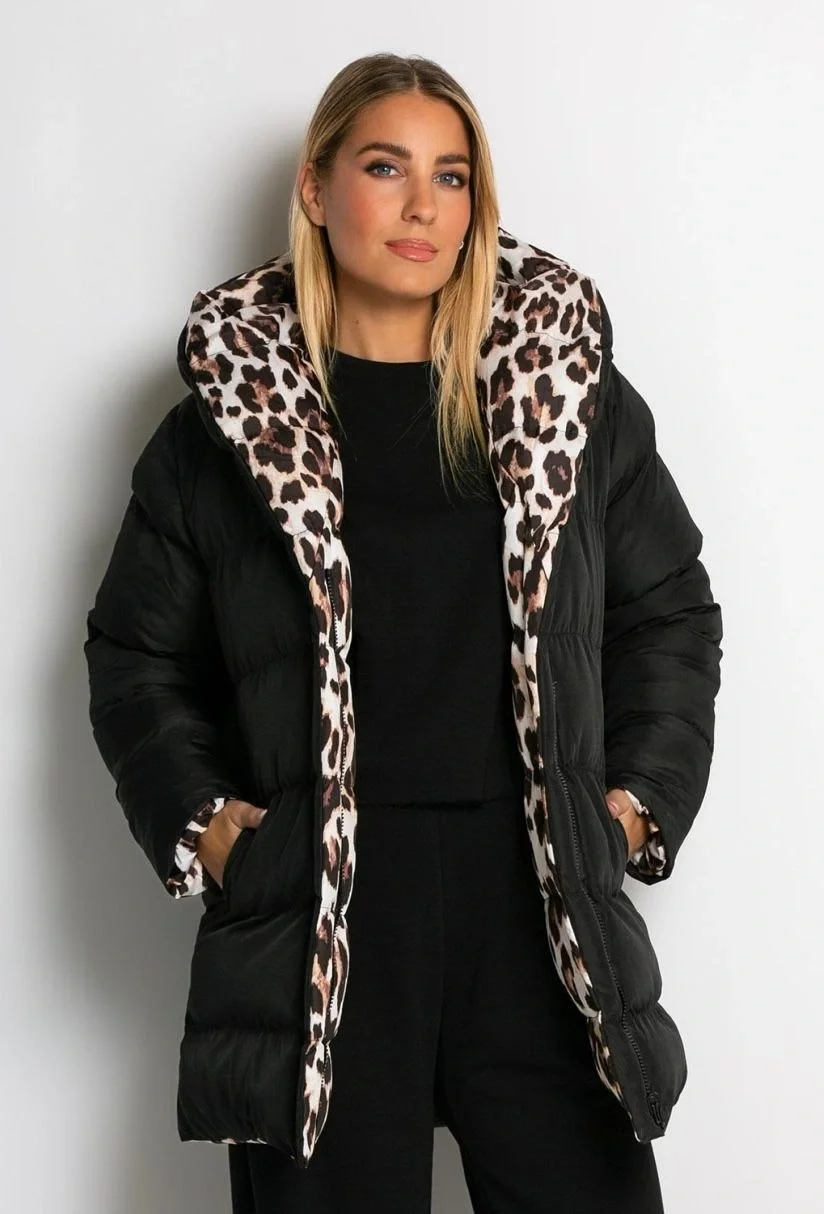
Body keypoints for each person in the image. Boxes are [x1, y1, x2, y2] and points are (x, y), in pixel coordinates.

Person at [84, 52, 723, 1214]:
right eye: (385, 168)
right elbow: (136, 652)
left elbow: (668, 608)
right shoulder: (227, 427)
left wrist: (632, 804)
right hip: (326, 906)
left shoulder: (561, 399)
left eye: (451, 175)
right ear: (316, 187)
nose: (422, 205)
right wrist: (206, 825)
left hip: (533, 900)